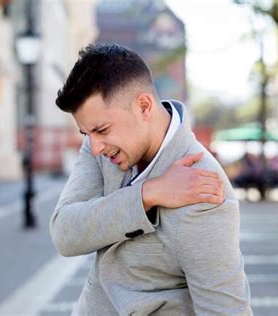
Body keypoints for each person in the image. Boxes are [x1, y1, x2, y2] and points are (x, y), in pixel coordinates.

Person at [50, 44, 252, 315]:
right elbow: (65, 232)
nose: (95, 145)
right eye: (86, 133)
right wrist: (147, 194)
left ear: (143, 106)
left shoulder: (204, 190)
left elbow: (225, 310)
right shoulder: (100, 146)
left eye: (101, 130)